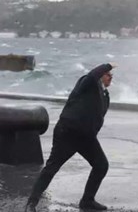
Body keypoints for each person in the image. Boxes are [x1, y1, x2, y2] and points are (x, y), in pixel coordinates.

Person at [25, 63, 116, 212]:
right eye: (107, 74)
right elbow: (92, 75)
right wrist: (108, 65)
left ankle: (87, 201)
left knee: (101, 165)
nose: (110, 76)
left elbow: (98, 116)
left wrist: (92, 132)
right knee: (51, 168)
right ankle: (31, 204)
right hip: (67, 133)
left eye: (111, 75)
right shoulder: (87, 82)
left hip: (86, 137)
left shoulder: (105, 95)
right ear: (100, 75)